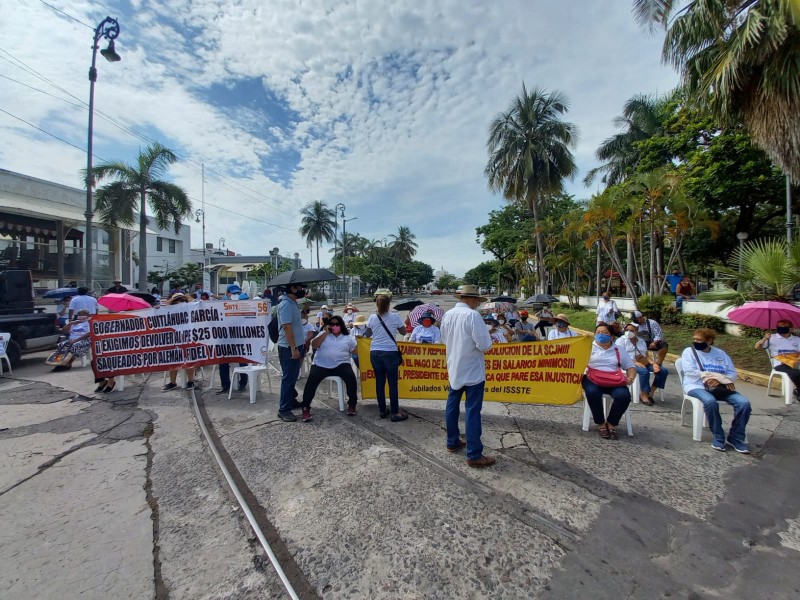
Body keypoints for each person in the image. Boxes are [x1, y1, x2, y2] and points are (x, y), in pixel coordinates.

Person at [440, 284, 495, 468]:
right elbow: (485, 345)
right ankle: (474, 454)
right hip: (472, 370)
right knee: (472, 411)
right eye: (477, 300)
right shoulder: (473, 316)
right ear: (472, 299)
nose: (477, 304)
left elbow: (444, 340)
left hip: (454, 368)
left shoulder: (447, 315)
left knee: (452, 406)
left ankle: (452, 441)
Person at [681, 328, 751, 453]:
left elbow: (732, 374)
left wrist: (719, 380)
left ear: (709, 341)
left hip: (720, 387)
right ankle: (719, 436)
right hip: (696, 386)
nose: (696, 342)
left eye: (699, 340)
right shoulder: (689, 352)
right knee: (710, 401)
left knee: (744, 404)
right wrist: (710, 377)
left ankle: (736, 437)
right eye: (694, 339)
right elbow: (689, 372)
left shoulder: (720, 354)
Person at [582, 323, 637, 440]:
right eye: (598, 333)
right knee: (592, 393)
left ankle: (612, 423)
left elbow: (630, 366)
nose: (601, 335)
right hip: (592, 378)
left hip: (613, 380)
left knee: (624, 396)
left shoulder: (618, 349)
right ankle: (601, 423)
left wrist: (630, 379)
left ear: (612, 336)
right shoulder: (587, 347)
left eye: (605, 333)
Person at [301, 314, 359, 420]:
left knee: (351, 377)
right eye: (332, 324)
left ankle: (352, 404)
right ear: (329, 325)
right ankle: (305, 407)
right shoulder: (324, 334)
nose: (335, 326)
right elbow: (314, 345)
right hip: (321, 364)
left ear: (341, 325)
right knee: (311, 381)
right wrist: (325, 333)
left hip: (341, 364)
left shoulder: (348, 337)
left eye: (337, 324)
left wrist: (360, 343)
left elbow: (355, 351)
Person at [365, 293, 407, 421]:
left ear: (376, 304)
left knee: (380, 382)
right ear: (389, 305)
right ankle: (395, 412)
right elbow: (403, 332)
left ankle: (382, 410)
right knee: (393, 383)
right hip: (390, 353)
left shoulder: (372, 317)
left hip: (375, 352)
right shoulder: (395, 316)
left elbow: (367, 334)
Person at [274, 283, 308, 421]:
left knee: (293, 377)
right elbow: (287, 327)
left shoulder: (293, 303)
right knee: (288, 378)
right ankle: (284, 409)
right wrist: (294, 348)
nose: (302, 290)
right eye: (299, 288)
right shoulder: (286, 305)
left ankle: (291, 401)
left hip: (296, 345)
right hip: (289, 348)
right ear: (292, 289)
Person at [615, 323, 667, 405]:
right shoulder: (621, 340)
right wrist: (635, 362)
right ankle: (644, 394)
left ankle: (651, 391)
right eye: (627, 330)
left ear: (636, 332)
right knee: (644, 371)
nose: (628, 332)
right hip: (628, 362)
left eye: (631, 330)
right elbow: (620, 355)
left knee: (663, 371)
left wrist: (654, 364)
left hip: (642, 361)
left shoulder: (641, 341)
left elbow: (646, 355)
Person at [755, 319, 800, 401]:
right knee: (796, 373)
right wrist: (765, 338)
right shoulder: (772, 337)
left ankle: (798, 391)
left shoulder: (796, 339)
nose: (781, 329)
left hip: (795, 362)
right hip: (780, 364)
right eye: (779, 327)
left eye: (784, 327)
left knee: (796, 371)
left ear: (791, 329)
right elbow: (757, 347)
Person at [162, 294, 197, 390]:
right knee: (173, 360)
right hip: (174, 339)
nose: (180, 302)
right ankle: (173, 382)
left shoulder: (191, 309)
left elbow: (197, 304)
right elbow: (162, 310)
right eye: (178, 300)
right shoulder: (170, 311)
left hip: (188, 337)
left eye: (182, 300)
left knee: (190, 360)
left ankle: (191, 381)